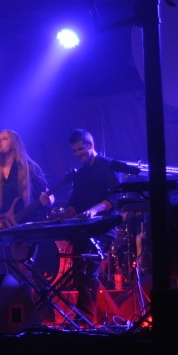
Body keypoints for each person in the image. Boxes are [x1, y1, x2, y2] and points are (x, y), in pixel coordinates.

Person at [61, 129, 121, 326]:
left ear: (91, 145)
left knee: (89, 271)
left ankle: (85, 319)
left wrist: (95, 210)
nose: (78, 154)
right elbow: (75, 200)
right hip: (84, 229)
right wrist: (66, 213)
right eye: (74, 151)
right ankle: (83, 316)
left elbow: (116, 196)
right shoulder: (80, 174)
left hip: (103, 228)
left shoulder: (108, 166)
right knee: (78, 271)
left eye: (81, 149)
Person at [0, 129, 55, 282]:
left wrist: (49, 201)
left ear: (14, 145)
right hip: (8, 228)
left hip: (30, 227)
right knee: (14, 273)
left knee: (31, 272)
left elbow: (49, 195)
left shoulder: (30, 167)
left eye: (4, 138)